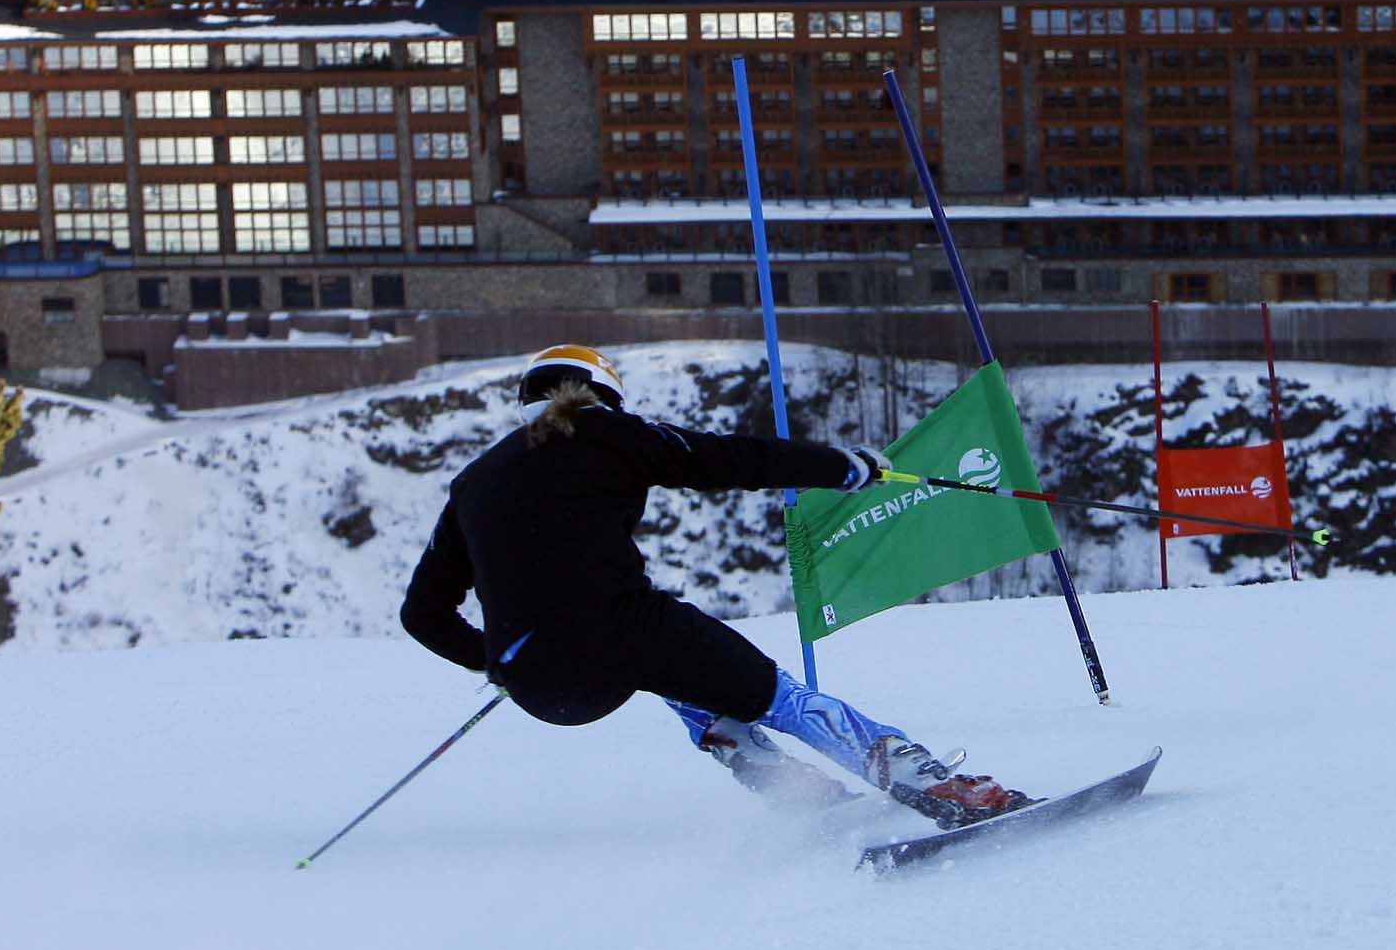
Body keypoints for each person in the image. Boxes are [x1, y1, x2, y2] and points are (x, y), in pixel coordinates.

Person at [400, 344, 1031, 827]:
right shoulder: (605, 430)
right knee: (776, 696)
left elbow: (422, 614)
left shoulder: (474, 481)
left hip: (542, 685)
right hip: (620, 630)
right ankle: (938, 788)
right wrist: (842, 468)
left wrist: (496, 659)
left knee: (676, 671)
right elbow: (729, 459)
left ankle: (802, 797)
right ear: (601, 396)